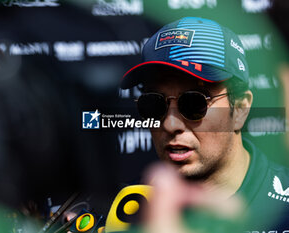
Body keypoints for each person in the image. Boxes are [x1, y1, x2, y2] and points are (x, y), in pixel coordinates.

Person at [120, 17, 289, 232]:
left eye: (194, 103)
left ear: (240, 108)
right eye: (153, 103)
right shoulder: (120, 210)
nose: (171, 125)